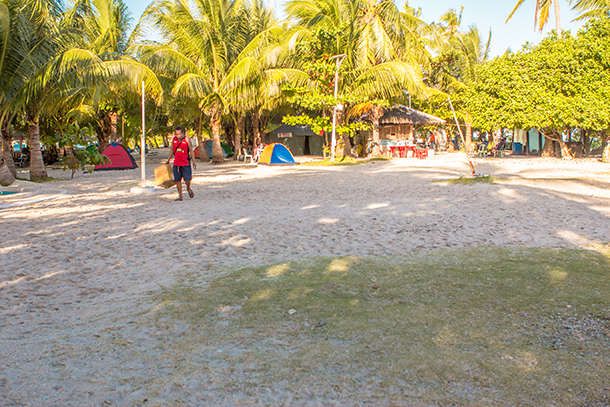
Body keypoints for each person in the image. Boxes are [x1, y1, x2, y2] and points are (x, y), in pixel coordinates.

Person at [166, 127, 196, 201]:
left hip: (185, 163)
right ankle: (180, 196)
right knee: (177, 180)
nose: (178, 135)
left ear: (182, 133)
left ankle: (188, 188)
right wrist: (168, 160)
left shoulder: (187, 140)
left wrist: (194, 161)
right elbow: (172, 150)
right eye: (176, 134)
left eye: (179, 134)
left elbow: (191, 151)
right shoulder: (174, 139)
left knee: (187, 180)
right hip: (176, 164)